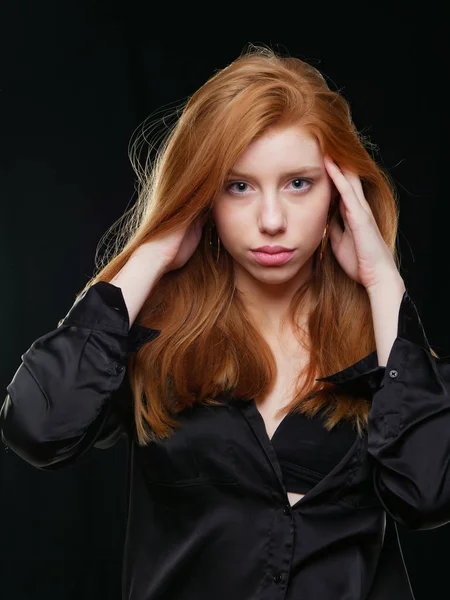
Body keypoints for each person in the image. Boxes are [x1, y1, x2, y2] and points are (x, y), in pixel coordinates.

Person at [1, 43, 449, 600]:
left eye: (298, 183)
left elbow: (428, 496)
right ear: (204, 197)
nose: (270, 220)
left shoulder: (383, 347)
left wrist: (385, 286)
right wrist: (154, 251)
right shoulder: (154, 339)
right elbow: (40, 430)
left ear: (340, 193)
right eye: (238, 186)